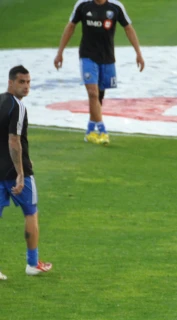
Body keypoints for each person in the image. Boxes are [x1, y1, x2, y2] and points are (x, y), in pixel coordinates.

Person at [54, 0, 145, 145]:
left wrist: (138, 53)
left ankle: (90, 130)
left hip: (107, 58)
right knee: (93, 93)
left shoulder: (115, 7)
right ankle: (103, 131)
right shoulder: (83, 5)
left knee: (99, 96)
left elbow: (128, 28)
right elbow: (71, 26)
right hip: (87, 56)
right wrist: (60, 53)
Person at [1, 66, 53, 278]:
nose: (26, 87)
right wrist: (21, 172)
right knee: (31, 212)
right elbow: (13, 140)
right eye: (21, 82)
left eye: (29, 82)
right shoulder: (18, 107)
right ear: (11, 82)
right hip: (15, 172)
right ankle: (32, 263)